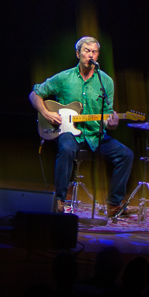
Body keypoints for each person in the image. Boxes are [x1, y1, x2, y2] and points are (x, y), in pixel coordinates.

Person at [29, 36, 134, 217]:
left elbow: (107, 116)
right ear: (78, 54)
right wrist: (46, 113)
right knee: (67, 149)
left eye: (94, 51)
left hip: (95, 135)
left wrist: (112, 123)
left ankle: (113, 204)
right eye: (87, 51)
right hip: (69, 133)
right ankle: (60, 200)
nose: (90, 55)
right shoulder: (64, 78)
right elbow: (35, 94)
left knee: (126, 155)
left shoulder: (106, 82)